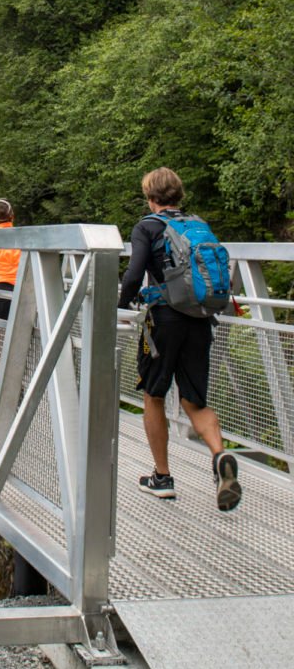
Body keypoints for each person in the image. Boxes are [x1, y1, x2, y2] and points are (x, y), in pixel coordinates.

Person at [118, 167, 241, 511]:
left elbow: (133, 274)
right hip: (200, 319)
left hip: (163, 321)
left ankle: (162, 477)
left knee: (154, 395)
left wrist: (121, 303)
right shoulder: (198, 226)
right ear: (178, 195)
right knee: (194, 401)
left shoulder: (148, 226)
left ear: (150, 196)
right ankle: (219, 455)